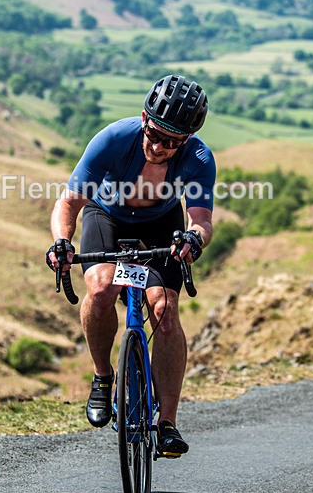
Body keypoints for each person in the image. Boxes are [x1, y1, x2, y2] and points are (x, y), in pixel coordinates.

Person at [47, 75, 215, 457]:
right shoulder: (114, 139)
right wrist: (62, 241)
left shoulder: (199, 158)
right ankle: (103, 377)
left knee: (165, 312)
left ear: (186, 140)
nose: (159, 146)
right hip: (107, 215)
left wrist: (192, 239)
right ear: (144, 118)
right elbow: (68, 203)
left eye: (171, 142)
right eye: (154, 134)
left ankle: (167, 423)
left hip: (161, 224)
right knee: (102, 289)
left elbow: (201, 220)